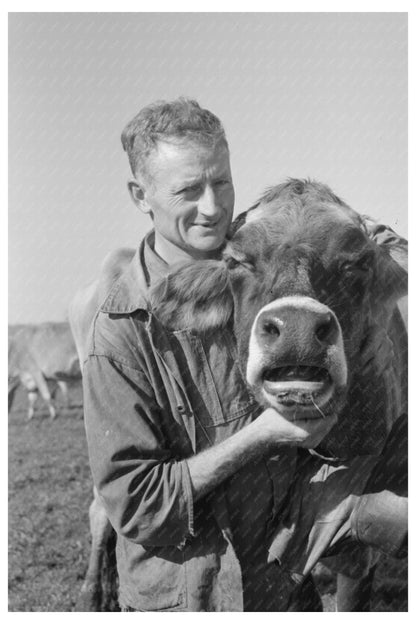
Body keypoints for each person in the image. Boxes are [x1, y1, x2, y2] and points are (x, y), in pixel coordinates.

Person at [82, 98, 407, 612]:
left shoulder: (263, 262)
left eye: (223, 183)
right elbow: (138, 502)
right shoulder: (120, 333)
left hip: (286, 587)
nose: (212, 208)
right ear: (140, 196)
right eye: (188, 190)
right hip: (192, 601)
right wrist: (263, 436)